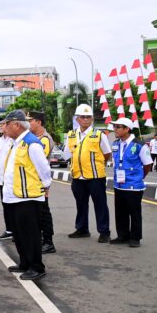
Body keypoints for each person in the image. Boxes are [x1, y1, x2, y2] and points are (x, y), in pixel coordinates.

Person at [1, 110, 51, 281]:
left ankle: (37, 267)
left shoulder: (32, 143)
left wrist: (45, 186)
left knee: (31, 234)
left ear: (16, 124)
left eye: (6, 124)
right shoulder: (15, 143)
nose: (4, 127)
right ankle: (24, 263)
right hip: (13, 196)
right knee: (19, 234)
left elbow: (43, 169)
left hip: (28, 197)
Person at [63, 104, 113, 242]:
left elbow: (107, 154)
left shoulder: (98, 135)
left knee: (100, 204)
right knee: (81, 203)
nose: (85, 119)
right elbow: (67, 154)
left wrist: (95, 164)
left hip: (95, 176)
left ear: (91, 119)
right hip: (78, 176)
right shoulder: (71, 134)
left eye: (88, 117)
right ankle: (82, 229)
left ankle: (104, 231)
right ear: (77, 119)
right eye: (82, 117)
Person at [110, 118, 152, 247]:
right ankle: (122, 235)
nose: (115, 129)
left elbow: (148, 165)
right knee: (120, 212)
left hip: (133, 186)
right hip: (119, 184)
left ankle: (135, 237)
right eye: (114, 127)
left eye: (118, 127)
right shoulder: (116, 144)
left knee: (134, 213)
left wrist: (138, 177)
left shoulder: (139, 145)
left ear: (127, 129)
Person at [26, 111, 57, 254]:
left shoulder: (44, 139)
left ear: (38, 122)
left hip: (40, 181)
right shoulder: (34, 138)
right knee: (36, 212)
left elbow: (37, 159)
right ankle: (40, 239)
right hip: (33, 181)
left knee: (44, 211)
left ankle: (48, 241)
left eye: (30, 120)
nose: (28, 123)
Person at [0, 117, 16, 242]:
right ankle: (9, 230)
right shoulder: (0, 141)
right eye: (0, 125)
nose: (0, 126)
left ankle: (17, 230)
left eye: (2, 124)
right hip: (2, 179)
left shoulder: (14, 140)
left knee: (14, 206)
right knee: (5, 204)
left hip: (12, 180)